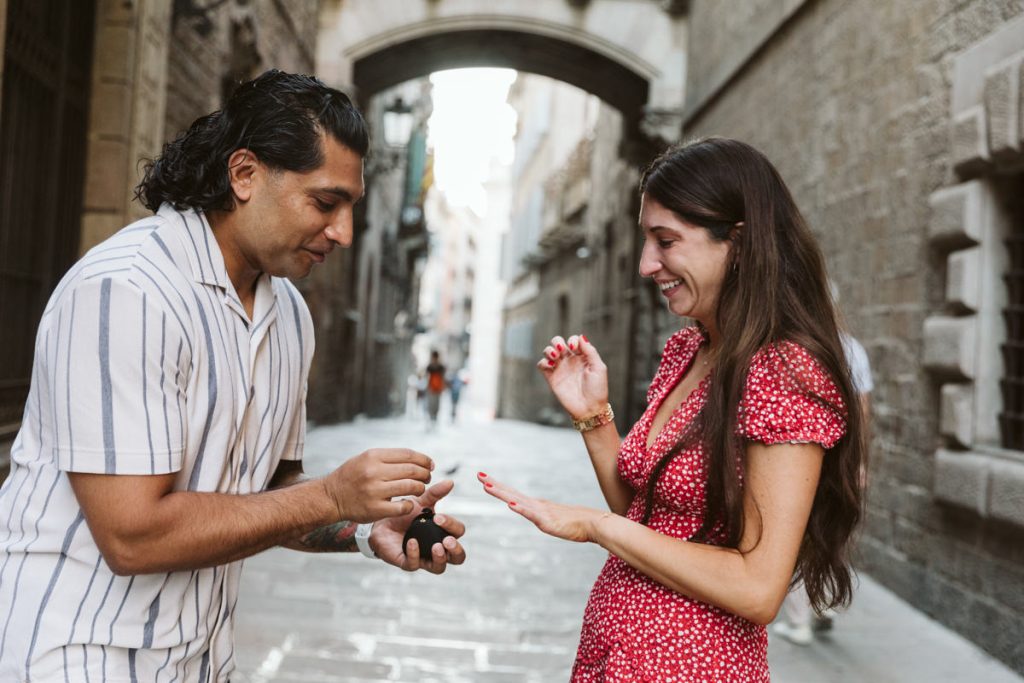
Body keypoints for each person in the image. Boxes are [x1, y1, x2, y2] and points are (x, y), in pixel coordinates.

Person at [0, 70, 466, 683]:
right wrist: (330, 495)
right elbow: (132, 536)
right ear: (243, 174)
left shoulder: (290, 314)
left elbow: (273, 493)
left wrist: (361, 526)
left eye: (351, 208)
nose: (343, 233)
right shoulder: (127, 290)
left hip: (201, 659)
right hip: (75, 654)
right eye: (325, 203)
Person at [477, 138, 865, 681]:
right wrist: (594, 417)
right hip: (615, 656)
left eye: (666, 241)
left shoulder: (783, 371)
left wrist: (595, 527)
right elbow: (645, 514)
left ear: (738, 243)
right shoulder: (690, 350)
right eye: (645, 241)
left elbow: (758, 588)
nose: (644, 265)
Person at [773, 329, 873, 645]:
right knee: (831, 528)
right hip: (840, 456)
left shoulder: (795, 347)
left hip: (805, 453)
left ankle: (800, 622)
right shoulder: (852, 347)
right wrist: (858, 462)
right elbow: (862, 410)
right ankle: (825, 598)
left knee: (797, 534)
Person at [423, 351, 447, 428]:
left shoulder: (438, 367)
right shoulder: (432, 367)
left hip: (436, 389)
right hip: (432, 389)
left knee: (435, 404)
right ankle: (432, 418)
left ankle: (434, 418)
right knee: (432, 404)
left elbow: (442, 378)